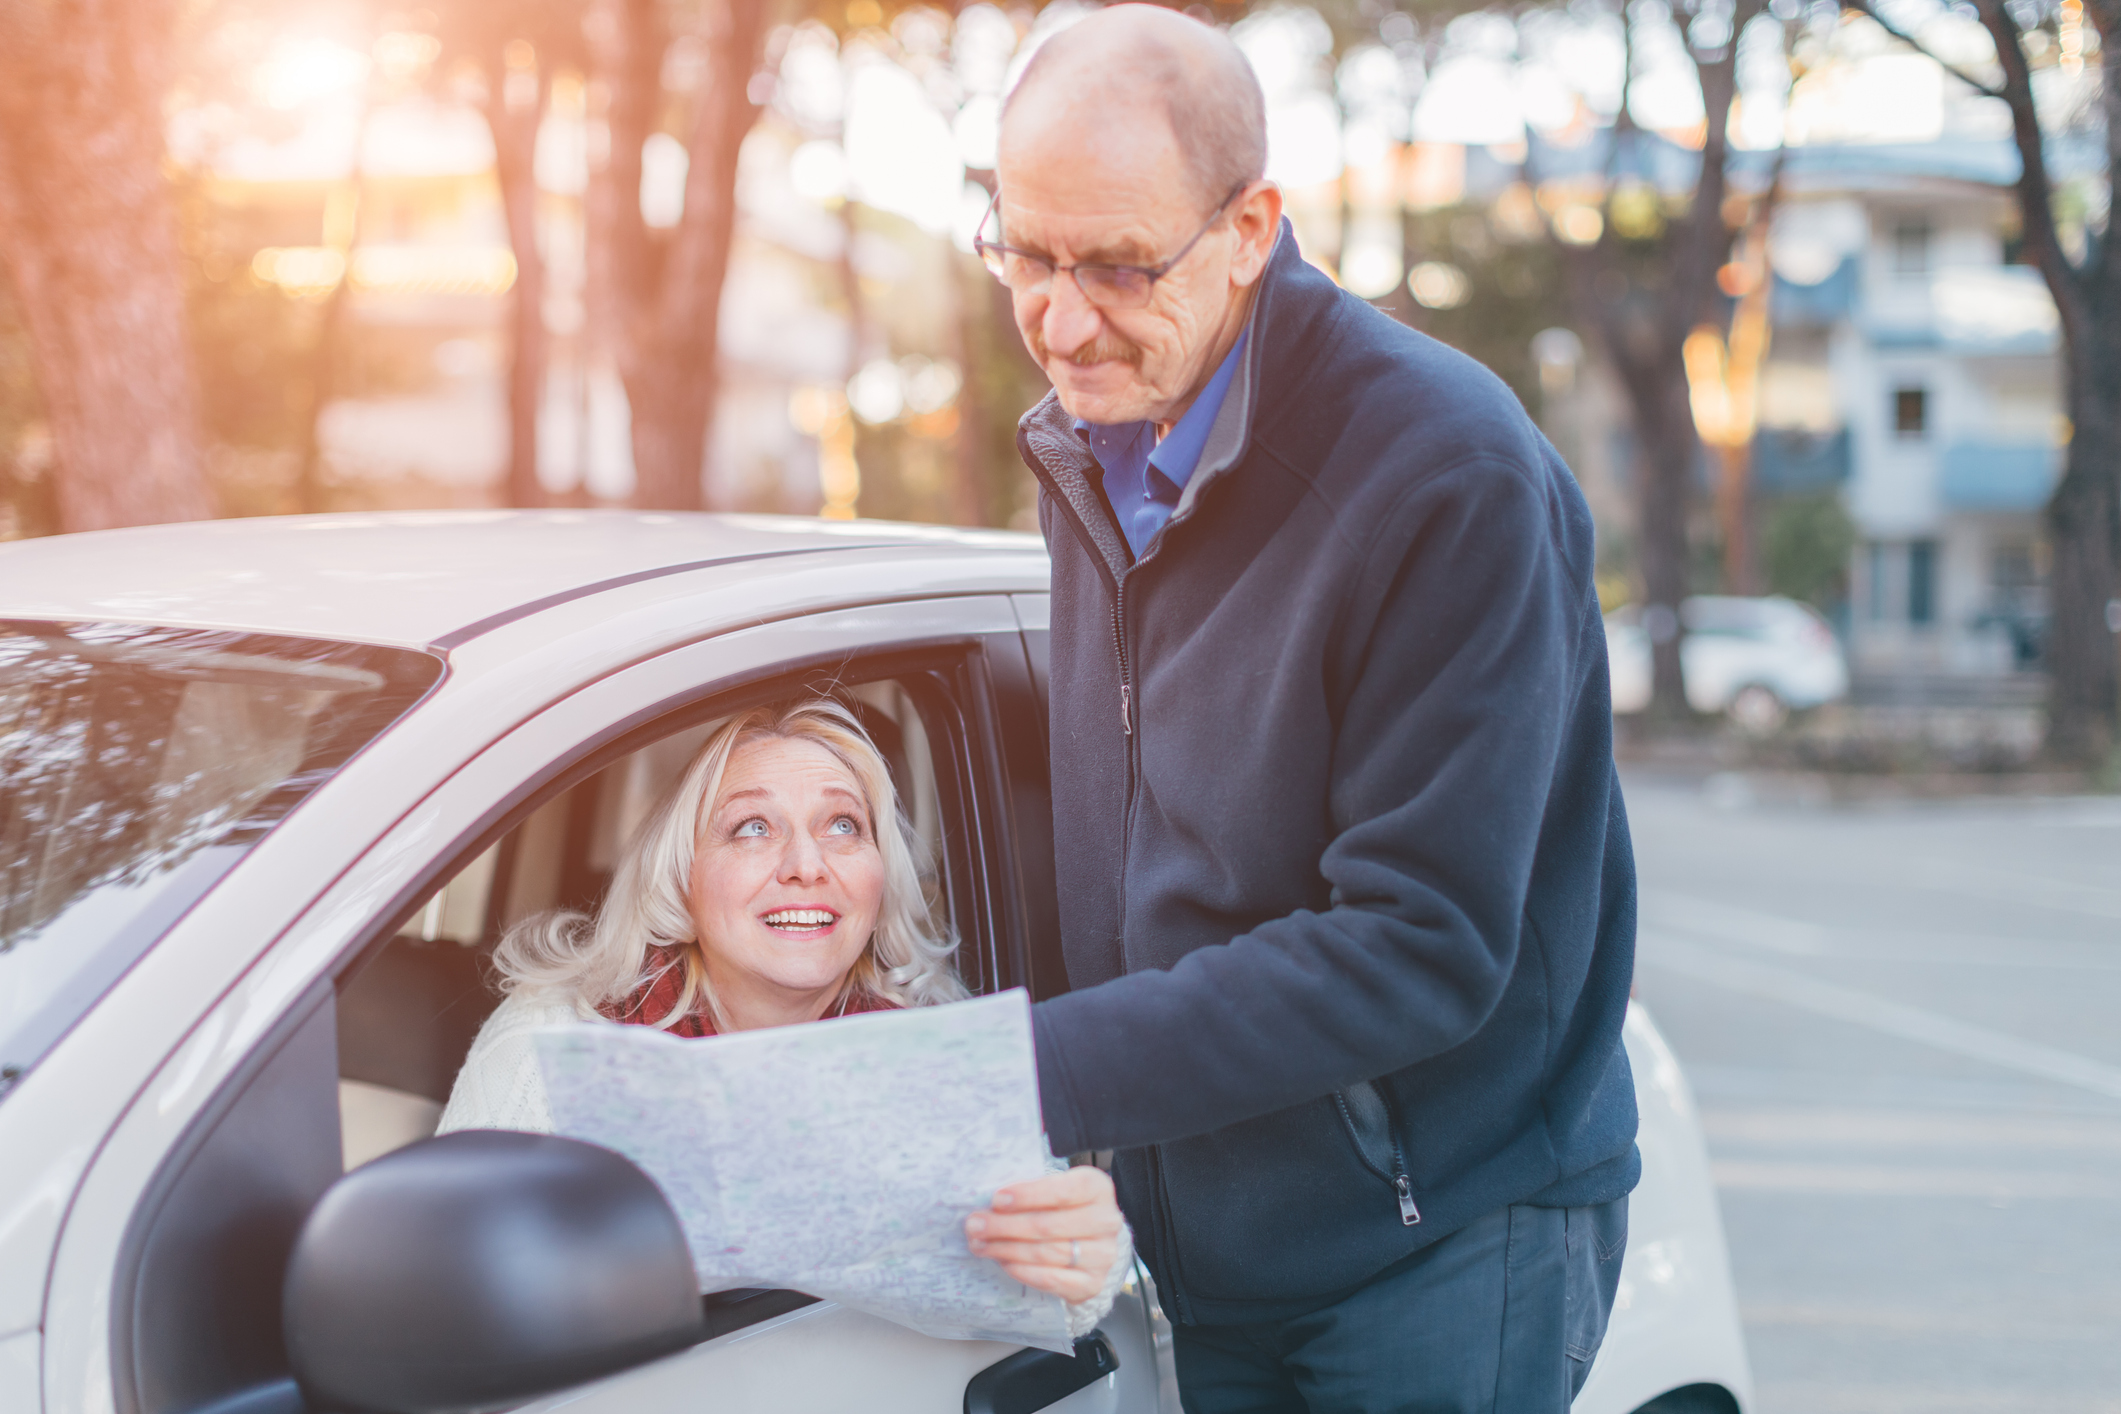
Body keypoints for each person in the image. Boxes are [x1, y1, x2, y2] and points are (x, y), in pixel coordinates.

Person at [970, 7, 1640, 1410]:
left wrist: (1011, 1071)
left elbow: (1422, 942)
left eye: (1116, 264)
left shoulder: (1444, 475)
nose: (1059, 317)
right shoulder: (1090, 443)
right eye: (1024, 254)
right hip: (1196, 1243)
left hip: (1436, 1237)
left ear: (1252, 226)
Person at [439, 698, 1131, 1332]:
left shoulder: (927, 1058)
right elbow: (450, 1306)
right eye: (752, 828)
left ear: (878, 875)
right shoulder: (555, 1043)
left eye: (842, 825)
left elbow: (1052, 1303)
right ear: (683, 876)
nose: (806, 864)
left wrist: (1084, 1256)